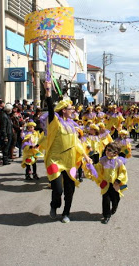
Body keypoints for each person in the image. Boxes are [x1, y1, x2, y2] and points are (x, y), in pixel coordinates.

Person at [42, 81, 91, 223]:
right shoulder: (55, 123)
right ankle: (54, 205)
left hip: (70, 161)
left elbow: (76, 143)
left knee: (70, 189)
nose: (73, 111)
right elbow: (51, 110)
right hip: (55, 160)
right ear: (64, 110)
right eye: (71, 108)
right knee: (57, 189)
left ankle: (66, 213)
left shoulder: (72, 125)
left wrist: (85, 156)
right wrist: (48, 92)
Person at [84, 142, 128, 224]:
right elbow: (98, 168)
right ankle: (106, 215)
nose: (107, 151)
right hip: (106, 184)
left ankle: (114, 207)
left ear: (115, 152)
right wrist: (91, 166)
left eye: (109, 150)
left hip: (115, 184)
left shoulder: (119, 161)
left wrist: (118, 179)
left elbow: (123, 172)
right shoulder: (103, 160)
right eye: (107, 149)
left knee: (115, 199)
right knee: (106, 200)